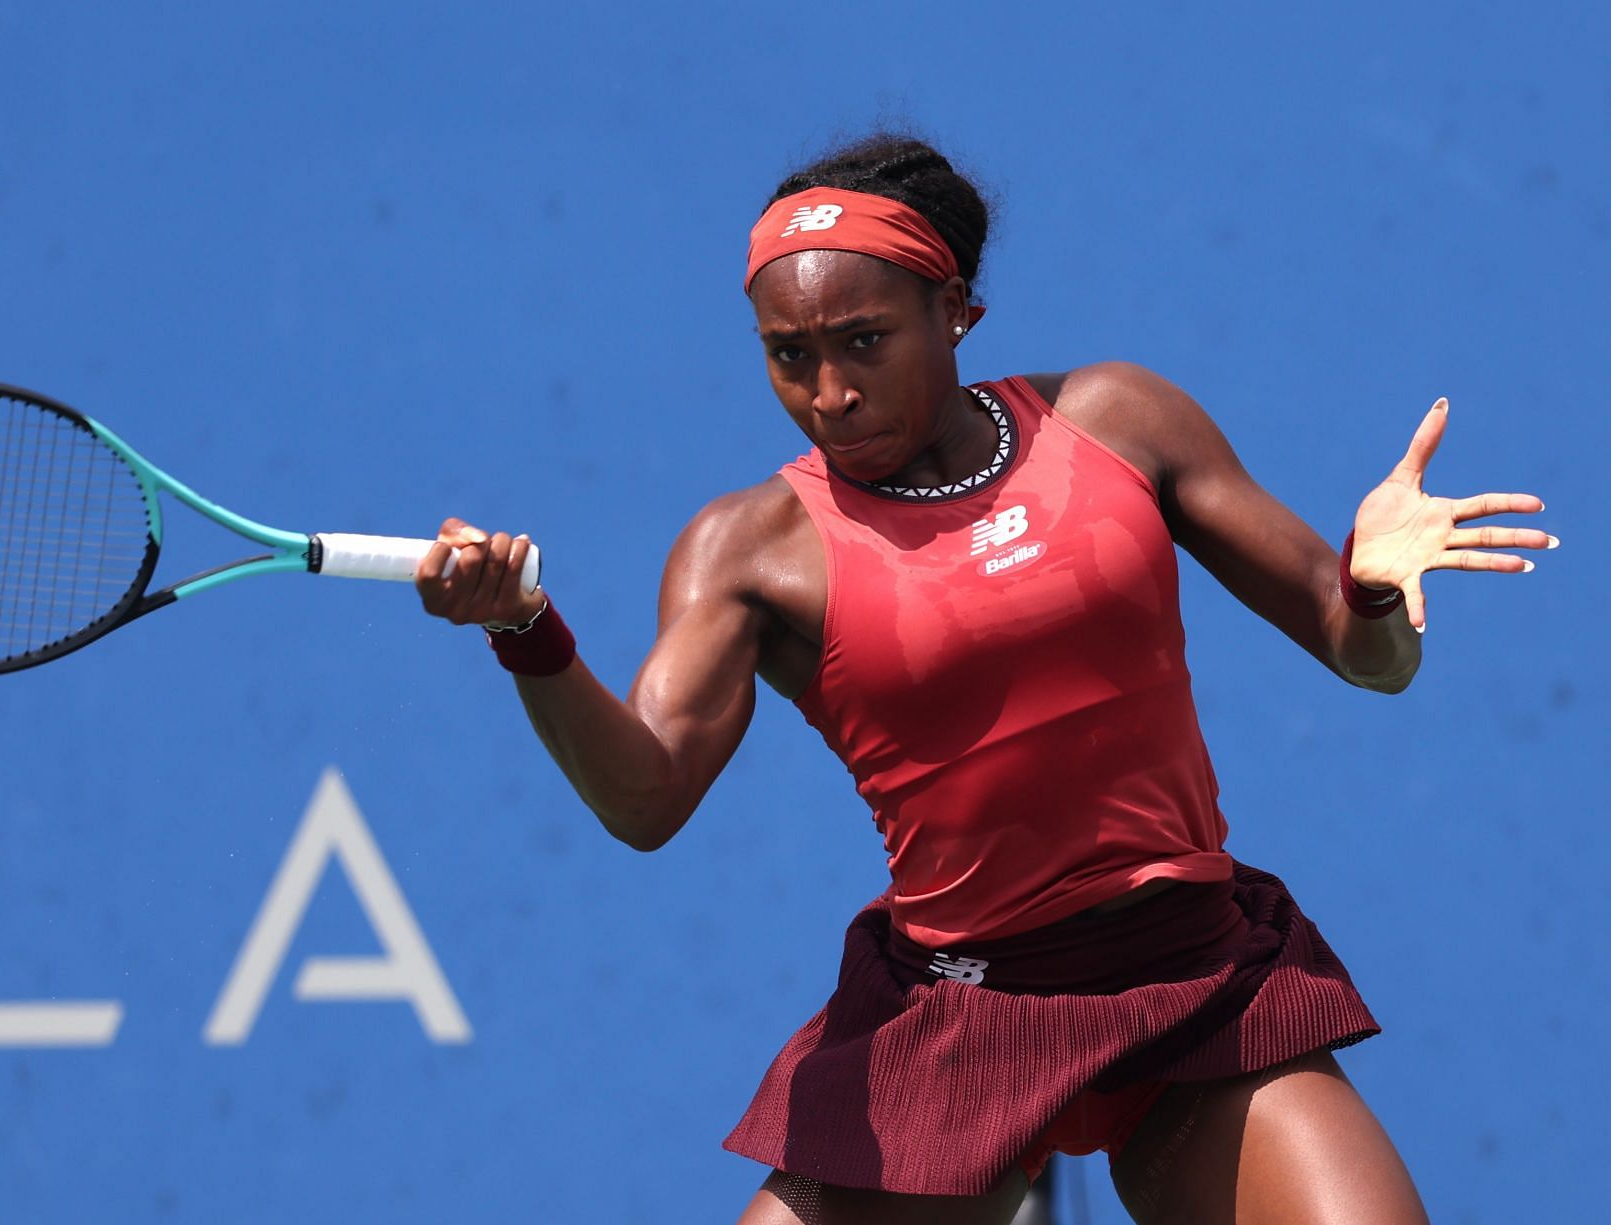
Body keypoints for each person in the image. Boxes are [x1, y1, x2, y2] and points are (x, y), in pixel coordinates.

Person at [412, 134, 1554, 1224]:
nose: (829, 390)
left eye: (864, 340)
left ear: (956, 310)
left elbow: (1368, 658)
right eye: (788, 355)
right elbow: (645, 797)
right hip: (960, 1021)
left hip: (1196, 981)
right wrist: (526, 627)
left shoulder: (1117, 422)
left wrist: (1368, 588)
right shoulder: (748, 549)